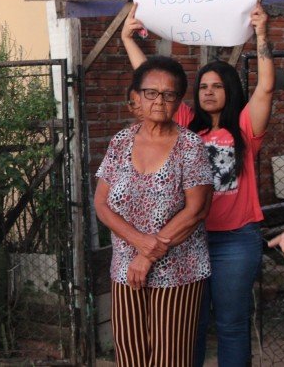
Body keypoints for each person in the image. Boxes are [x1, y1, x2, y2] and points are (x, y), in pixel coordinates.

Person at [122, 2, 274, 366]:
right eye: (203, 86)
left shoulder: (245, 128)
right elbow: (153, 84)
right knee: (190, 324)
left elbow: (267, 88)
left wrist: (262, 34)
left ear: (231, 89)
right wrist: (128, 38)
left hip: (236, 239)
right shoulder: (188, 126)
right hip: (189, 239)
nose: (208, 92)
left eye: (217, 86)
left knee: (232, 324)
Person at [94, 56, 214, 367]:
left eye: (168, 94)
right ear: (135, 97)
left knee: (170, 359)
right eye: (151, 92)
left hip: (178, 271)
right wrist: (138, 243)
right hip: (125, 270)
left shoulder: (190, 146)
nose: (159, 101)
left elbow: (196, 210)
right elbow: (101, 204)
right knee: (130, 356)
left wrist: (147, 254)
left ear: (178, 101)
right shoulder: (120, 142)